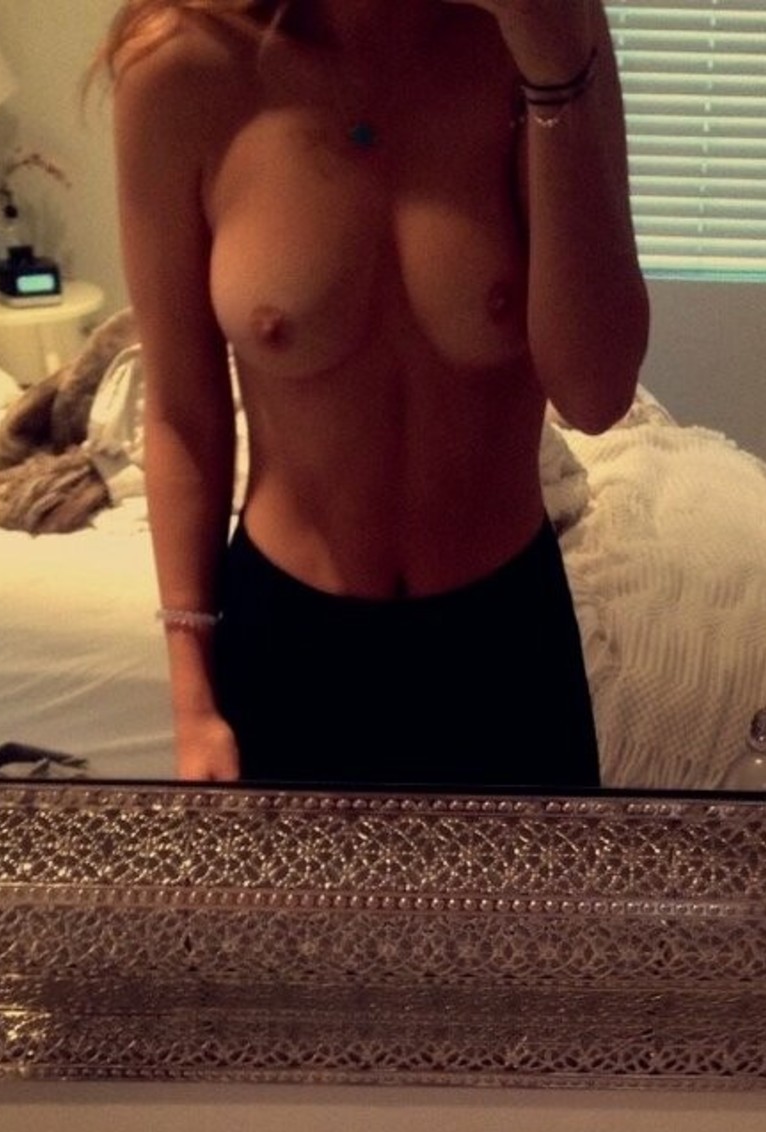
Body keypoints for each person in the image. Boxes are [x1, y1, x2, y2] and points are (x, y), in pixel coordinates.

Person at [97, 0, 649, 788]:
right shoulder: (180, 67)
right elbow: (183, 414)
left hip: (501, 643)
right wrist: (192, 702)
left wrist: (555, 71)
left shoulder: (546, 38)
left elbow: (596, 395)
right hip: (286, 644)